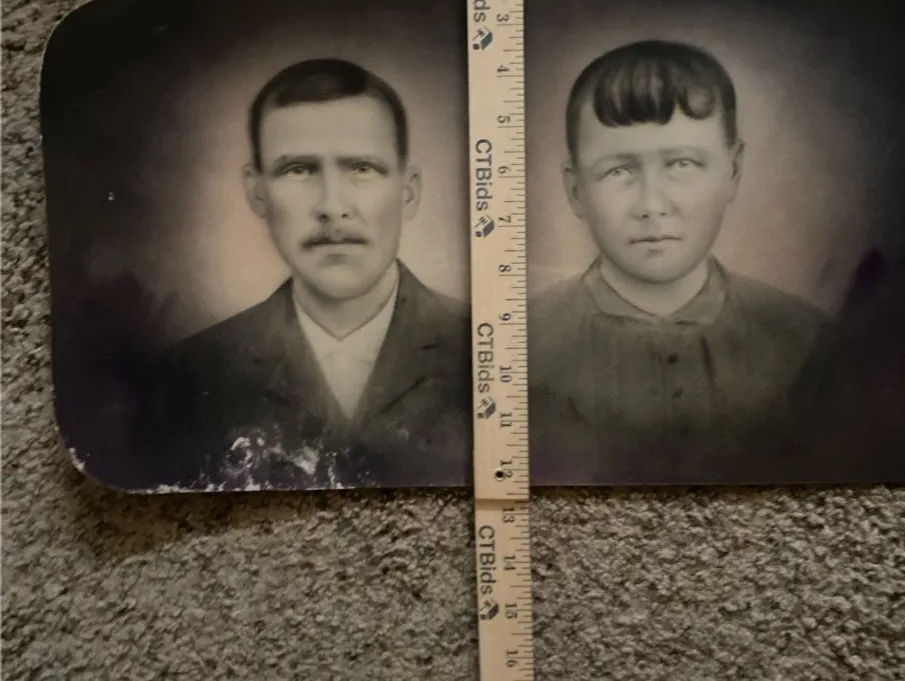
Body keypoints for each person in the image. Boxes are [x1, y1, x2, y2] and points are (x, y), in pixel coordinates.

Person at [134, 59, 471, 490]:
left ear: (409, 191)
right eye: (298, 170)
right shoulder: (190, 379)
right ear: (257, 192)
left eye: (362, 168)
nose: (332, 205)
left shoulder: (490, 350)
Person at [529, 40, 843, 485]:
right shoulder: (522, 347)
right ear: (575, 188)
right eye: (619, 170)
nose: (652, 205)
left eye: (682, 163)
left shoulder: (806, 345)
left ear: (733, 171)